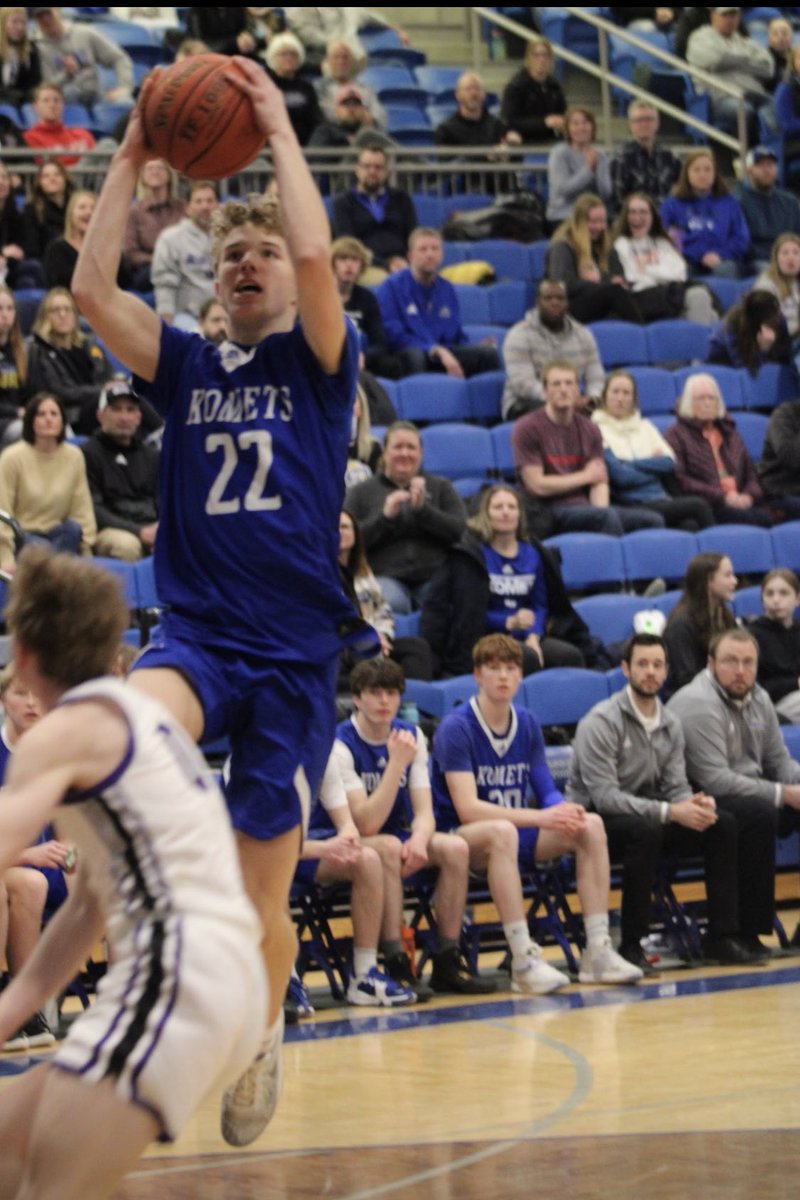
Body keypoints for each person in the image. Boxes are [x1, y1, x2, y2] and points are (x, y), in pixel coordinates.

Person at [72, 55, 364, 1149]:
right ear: (208, 284)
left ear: (289, 285)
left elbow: (306, 243)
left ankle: (263, 1022)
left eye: (262, 255)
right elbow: (92, 293)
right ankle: (140, 946)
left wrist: (279, 132)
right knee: (125, 731)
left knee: (261, 908)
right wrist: (131, 154)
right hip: (196, 634)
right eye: (228, 253)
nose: (250, 261)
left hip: (293, 657)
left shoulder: (319, 364)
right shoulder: (188, 365)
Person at [0, 546, 267, 1194]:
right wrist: (11, 1009)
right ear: (111, 655)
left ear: (25, 658)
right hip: (226, 977)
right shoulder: (141, 718)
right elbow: (91, 907)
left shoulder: (59, 735)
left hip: (180, 975)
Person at [430, 632, 644, 990]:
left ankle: (598, 952)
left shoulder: (527, 722)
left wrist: (562, 811)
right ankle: (523, 960)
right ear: (477, 676)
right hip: (463, 838)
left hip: (516, 833)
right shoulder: (457, 728)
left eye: (510, 668)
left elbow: (544, 787)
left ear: (520, 676)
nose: (502, 676)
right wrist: (542, 817)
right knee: (502, 832)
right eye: (493, 668)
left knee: (589, 825)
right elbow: (467, 809)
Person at [568, 632, 767, 971]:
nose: (651, 672)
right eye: (642, 664)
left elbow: (675, 785)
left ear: (666, 671)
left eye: (658, 665)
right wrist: (671, 811)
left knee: (722, 822)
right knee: (645, 830)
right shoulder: (600, 722)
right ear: (625, 669)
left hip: (650, 816)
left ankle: (722, 936)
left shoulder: (670, 723)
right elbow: (604, 798)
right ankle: (632, 944)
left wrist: (692, 805)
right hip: (596, 824)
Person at [326, 657, 496, 997]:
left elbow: (424, 810)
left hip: (397, 836)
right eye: (375, 693)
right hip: (350, 840)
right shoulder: (341, 744)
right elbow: (366, 823)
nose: (385, 701)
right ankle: (395, 959)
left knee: (454, 848)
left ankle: (447, 957)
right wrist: (395, 766)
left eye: (391, 693)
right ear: (356, 699)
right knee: (387, 846)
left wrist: (420, 839)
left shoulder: (411, 734)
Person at [668, 627, 800, 953]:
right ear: (712, 663)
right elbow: (716, 780)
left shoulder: (760, 697)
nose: (740, 671)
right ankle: (736, 933)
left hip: (752, 794)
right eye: (730, 661)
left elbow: (778, 761)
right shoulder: (698, 703)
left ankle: (757, 932)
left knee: (761, 809)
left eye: (747, 662)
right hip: (701, 798)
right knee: (756, 813)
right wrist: (785, 794)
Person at [420, 484, 591, 679]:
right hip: (485, 637)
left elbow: (540, 605)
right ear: (486, 514)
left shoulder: (534, 554)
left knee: (570, 656)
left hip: (526, 635)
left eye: (511, 507)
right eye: (498, 507)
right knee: (526, 658)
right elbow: (468, 613)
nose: (505, 512)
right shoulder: (472, 556)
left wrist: (533, 636)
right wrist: (507, 622)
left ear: (520, 514)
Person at [295, 751, 417, 1008]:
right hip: (266, 855)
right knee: (272, 874)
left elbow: (347, 823)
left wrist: (346, 840)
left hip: (313, 844)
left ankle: (364, 974)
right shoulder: (260, 757)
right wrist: (325, 848)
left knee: (368, 859)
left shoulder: (322, 756)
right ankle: (283, 978)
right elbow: (266, 845)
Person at [512, 359, 664, 536]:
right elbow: (537, 485)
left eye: (569, 383)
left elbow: (598, 480)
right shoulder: (527, 428)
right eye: (556, 384)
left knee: (652, 520)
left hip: (584, 507)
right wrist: (585, 477)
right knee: (606, 519)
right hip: (547, 509)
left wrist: (600, 510)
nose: (563, 389)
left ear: (578, 390)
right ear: (545, 391)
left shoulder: (589, 428)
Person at [0, 662, 66, 1053]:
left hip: (31, 868)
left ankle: (23, 1005)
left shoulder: (54, 753)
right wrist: (29, 852)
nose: (31, 703)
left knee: (33, 882)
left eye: (38, 694)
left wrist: (72, 856)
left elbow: (70, 833)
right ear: (3, 700)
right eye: (20, 693)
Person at [345, 420, 466, 614]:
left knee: (448, 603)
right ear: (384, 452)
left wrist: (423, 512)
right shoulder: (360, 492)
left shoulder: (441, 487)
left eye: (411, 447)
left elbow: (459, 531)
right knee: (392, 603)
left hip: (434, 576)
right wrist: (384, 519)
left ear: (421, 453)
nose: (405, 453)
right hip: (383, 576)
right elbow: (346, 540)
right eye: (398, 447)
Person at [592, 370, 714, 531]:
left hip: (661, 498)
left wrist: (627, 463)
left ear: (633, 399)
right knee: (699, 506)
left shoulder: (646, 427)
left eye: (626, 393)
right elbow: (621, 477)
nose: (620, 398)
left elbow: (669, 462)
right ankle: (718, 555)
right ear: (605, 395)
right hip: (632, 502)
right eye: (615, 392)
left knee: (689, 526)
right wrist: (653, 467)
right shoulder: (596, 430)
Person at [376, 227, 501, 378]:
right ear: (410, 256)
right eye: (423, 249)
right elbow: (393, 334)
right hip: (409, 353)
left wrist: (473, 347)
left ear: (441, 254)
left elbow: (455, 333)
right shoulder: (391, 287)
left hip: (443, 353)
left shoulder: (446, 288)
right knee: (415, 356)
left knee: (487, 355)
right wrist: (433, 348)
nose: (430, 254)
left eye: (435, 249)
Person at [0, 390, 96, 571]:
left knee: (73, 529)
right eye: (41, 414)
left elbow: (82, 507)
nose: (48, 419)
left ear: (62, 421)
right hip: (25, 535)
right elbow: (3, 510)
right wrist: (4, 557)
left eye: (54, 414)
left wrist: (86, 552)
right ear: (31, 421)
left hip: (61, 534)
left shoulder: (74, 456)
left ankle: (53, 577)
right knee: (41, 550)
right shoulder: (12, 457)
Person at [664, 371, 773, 527]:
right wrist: (723, 497)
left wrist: (749, 495)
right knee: (749, 519)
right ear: (688, 402)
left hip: (741, 499)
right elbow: (681, 480)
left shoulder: (730, 432)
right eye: (701, 398)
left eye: (712, 398)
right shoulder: (675, 434)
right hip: (710, 504)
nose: (708, 403)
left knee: (765, 518)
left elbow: (750, 474)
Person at [339, 508, 433, 682]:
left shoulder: (363, 572)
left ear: (355, 534)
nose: (340, 532)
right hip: (346, 646)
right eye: (335, 528)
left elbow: (383, 610)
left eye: (345, 527)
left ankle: (409, 703)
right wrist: (369, 640)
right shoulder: (323, 573)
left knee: (417, 648)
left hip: (375, 640)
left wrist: (382, 636)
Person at [501, 278, 605, 421]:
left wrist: (592, 398)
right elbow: (522, 384)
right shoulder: (519, 335)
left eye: (560, 298)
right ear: (537, 302)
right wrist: (562, 399)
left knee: (612, 407)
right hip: (526, 403)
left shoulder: (584, 334)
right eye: (548, 298)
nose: (554, 302)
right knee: (556, 412)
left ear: (567, 303)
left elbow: (596, 377)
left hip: (574, 402)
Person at [81, 377, 160, 562]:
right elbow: (94, 509)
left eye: (130, 410)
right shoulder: (87, 453)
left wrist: (161, 529)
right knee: (127, 546)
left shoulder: (152, 456)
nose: (123, 417)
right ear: (100, 416)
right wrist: (139, 531)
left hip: (151, 525)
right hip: (111, 530)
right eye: (116, 409)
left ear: (139, 417)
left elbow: (163, 501)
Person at [610, 191, 718, 324]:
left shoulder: (662, 243)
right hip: (644, 300)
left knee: (705, 306)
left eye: (643, 212)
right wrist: (659, 270)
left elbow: (679, 273)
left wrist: (647, 268)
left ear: (652, 217)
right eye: (632, 212)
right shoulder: (620, 245)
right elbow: (633, 277)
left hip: (672, 295)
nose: (637, 217)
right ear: (625, 216)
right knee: (701, 300)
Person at [546, 193, 644, 325]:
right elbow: (562, 284)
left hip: (599, 302)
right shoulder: (563, 246)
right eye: (594, 222)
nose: (599, 227)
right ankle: (642, 335)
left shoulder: (604, 245)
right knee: (615, 293)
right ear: (580, 222)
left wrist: (610, 280)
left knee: (636, 296)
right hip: (568, 305)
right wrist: (600, 281)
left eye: (602, 221)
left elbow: (617, 274)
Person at [26, 286, 112, 436]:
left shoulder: (89, 344)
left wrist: (116, 384)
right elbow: (60, 392)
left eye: (68, 309)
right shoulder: (39, 350)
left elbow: (108, 374)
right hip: (71, 413)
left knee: (129, 394)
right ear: (45, 316)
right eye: (55, 310)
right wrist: (102, 391)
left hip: (100, 405)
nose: (63, 315)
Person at [686, 6, 774, 144]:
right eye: (725, 15)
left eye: (734, 15)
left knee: (778, 109)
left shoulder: (745, 41)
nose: (730, 19)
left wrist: (731, 61)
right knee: (744, 110)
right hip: (719, 98)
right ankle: (746, 156)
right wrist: (747, 62)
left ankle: (773, 155)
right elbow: (715, 60)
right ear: (713, 15)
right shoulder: (699, 38)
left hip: (754, 94)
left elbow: (768, 68)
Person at [660, 149, 750, 278]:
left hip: (721, 260)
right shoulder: (671, 205)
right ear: (686, 174)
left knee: (726, 271)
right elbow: (663, 237)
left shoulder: (730, 203)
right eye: (696, 170)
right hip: (685, 259)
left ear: (715, 174)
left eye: (708, 170)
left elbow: (741, 238)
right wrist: (694, 254)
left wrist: (720, 254)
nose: (702, 175)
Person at [330, 144, 418, 274]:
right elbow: (348, 245)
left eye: (378, 167)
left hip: (403, 264)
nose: (372, 171)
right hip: (364, 266)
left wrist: (405, 260)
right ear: (357, 170)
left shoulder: (401, 198)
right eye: (367, 166)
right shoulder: (343, 202)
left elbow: (413, 236)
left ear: (387, 171)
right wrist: (386, 264)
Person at [663, 551, 737, 698]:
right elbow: (685, 679)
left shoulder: (725, 617)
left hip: (724, 696)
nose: (734, 581)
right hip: (692, 703)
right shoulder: (681, 625)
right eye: (727, 575)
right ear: (708, 580)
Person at [31, 5, 134, 106]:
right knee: (70, 92)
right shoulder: (37, 47)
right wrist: (66, 74)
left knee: (125, 102)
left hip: (95, 95)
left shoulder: (83, 33)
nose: (45, 20)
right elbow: (46, 87)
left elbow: (120, 58)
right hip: (63, 102)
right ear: (36, 21)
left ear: (57, 11)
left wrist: (124, 87)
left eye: (48, 14)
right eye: (40, 16)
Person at [150, 180, 218, 330]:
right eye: (198, 201)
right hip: (186, 316)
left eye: (209, 201)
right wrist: (166, 325)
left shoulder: (229, 237)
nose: (205, 206)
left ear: (217, 205)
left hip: (224, 315)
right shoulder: (170, 238)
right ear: (188, 208)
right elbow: (164, 285)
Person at [433, 70, 521, 178]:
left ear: (484, 95)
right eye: (468, 89)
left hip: (496, 187)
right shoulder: (445, 129)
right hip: (464, 190)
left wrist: (514, 149)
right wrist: (487, 156)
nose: (473, 93)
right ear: (457, 95)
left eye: (477, 89)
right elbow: (446, 166)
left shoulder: (497, 125)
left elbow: (516, 162)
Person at [122, 157, 185, 293]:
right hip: (149, 268)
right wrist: (157, 259)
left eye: (160, 168)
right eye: (150, 168)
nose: (155, 172)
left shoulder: (182, 208)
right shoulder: (134, 211)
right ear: (143, 176)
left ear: (169, 175)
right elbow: (130, 252)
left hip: (180, 264)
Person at [734, 146, 800, 273]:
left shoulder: (790, 202)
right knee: (768, 270)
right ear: (749, 171)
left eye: (770, 165)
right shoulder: (737, 201)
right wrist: (777, 257)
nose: (766, 170)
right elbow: (743, 243)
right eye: (760, 165)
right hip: (757, 261)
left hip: (790, 256)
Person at [330, 234, 391, 371]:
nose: (349, 265)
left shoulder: (367, 298)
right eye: (343, 259)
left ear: (362, 266)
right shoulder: (320, 296)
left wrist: (363, 355)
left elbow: (380, 343)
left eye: (354, 260)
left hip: (359, 360)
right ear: (332, 263)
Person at [609, 99, 681, 212]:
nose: (644, 124)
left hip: (666, 221)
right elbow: (617, 202)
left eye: (649, 119)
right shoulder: (619, 158)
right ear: (630, 125)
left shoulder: (670, 157)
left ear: (657, 123)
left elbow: (682, 190)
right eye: (638, 120)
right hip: (633, 221)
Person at [546, 106, 612, 227]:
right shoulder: (559, 153)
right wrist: (588, 169)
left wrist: (598, 170)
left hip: (594, 215)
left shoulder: (600, 155)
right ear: (568, 129)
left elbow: (605, 193)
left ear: (592, 127)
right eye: (575, 124)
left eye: (585, 123)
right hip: (564, 215)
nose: (581, 128)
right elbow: (564, 191)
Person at [750, 568, 800, 725]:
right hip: (771, 705)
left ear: (797, 598)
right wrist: (795, 683)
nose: (776, 600)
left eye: (784, 593)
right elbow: (755, 688)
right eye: (769, 594)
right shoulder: (752, 635)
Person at [708, 288, 792, 375]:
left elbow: (785, 359)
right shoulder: (732, 327)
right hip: (724, 359)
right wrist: (763, 350)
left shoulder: (779, 320)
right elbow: (745, 371)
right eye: (769, 319)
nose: (776, 318)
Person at [500, 35, 566, 144]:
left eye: (545, 55)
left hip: (550, 140)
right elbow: (509, 121)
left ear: (551, 59)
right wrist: (544, 123)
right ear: (528, 58)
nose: (541, 60)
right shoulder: (516, 86)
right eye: (536, 55)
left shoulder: (554, 86)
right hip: (523, 140)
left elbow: (562, 113)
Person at [263, 31, 322, 146]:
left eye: (293, 54)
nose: (288, 58)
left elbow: (315, 118)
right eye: (283, 54)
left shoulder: (306, 87)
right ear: (272, 58)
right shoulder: (265, 86)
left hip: (304, 144)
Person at [21, 80, 95, 168]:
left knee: (108, 145)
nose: (52, 105)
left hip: (90, 179)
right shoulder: (29, 137)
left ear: (63, 105)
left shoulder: (83, 134)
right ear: (35, 107)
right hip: (59, 179)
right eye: (46, 101)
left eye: (56, 100)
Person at [316, 38, 385, 127]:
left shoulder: (365, 89)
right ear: (329, 61)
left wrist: (372, 119)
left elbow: (379, 113)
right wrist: (352, 116)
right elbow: (323, 113)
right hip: (333, 135)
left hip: (363, 133)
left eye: (345, 57)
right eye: (336, 57)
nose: (341, 61)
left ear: (351, 61)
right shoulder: (319, 88)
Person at [21, 157, 73, 264]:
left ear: (65, 178)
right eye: (46, 176)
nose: (52, 179)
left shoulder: (76, 207)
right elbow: (32, 248)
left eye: (57, 174)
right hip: (45, 264)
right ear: (39, 182)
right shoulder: (32, 209)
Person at [42, 187, 95, 289]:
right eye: (82, 207)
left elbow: (123, 279)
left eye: (93, 208)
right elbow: (58, 282)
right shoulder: (56, 248)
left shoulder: (106, 250)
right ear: (70, 214)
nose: (89, 212)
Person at [755, 232, 800, 342]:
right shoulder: (765, 285)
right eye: (785, 253)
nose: (791, 258)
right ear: (776, 259)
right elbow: (764, 326)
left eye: (796, 253)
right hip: (781, 342)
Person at [0, 284, 28, 448]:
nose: (5, 315)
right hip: (6, 420)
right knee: (22, 429)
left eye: (10, 309)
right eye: (0, 308)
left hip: (19, 416)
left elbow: (29, 393)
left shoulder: (21, 351)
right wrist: (16, 412)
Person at [0, 6, 41, 108]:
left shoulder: (31, 49)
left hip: (21, 102)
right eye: (14, 22)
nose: (20, 27)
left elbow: (35, 82)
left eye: (23, 23)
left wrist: (24, 97)